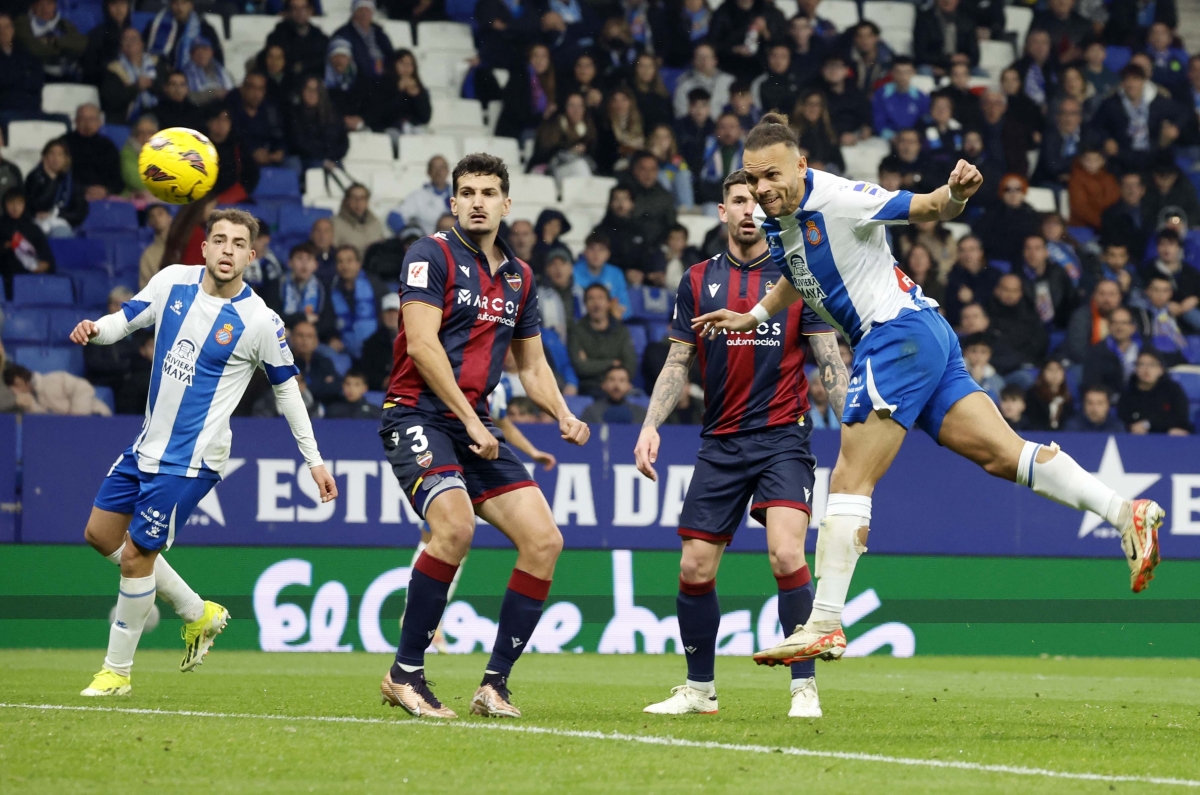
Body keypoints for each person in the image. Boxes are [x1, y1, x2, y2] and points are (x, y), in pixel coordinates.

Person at [697, 114, 1163, 678]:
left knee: (849, 479)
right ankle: (1124, 513)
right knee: (1004, 455)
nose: (762, 190)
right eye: (752, 179)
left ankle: (823, 621)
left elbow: (925, 207)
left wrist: (956, 196)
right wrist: (753, 313)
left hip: (893, 336)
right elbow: (799, 275)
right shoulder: (778, 220)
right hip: (925, 332)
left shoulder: (837, 197)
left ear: (800, 165)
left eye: (772, 175)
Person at [69, 208, 337, 697]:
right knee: (99, 533)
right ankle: (197, 611)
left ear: (251, 256)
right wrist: (95, 328)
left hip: (193, 461)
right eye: (220, 240)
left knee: (135, 557)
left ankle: (116, 673)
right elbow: (126, 319)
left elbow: (288, 392)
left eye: (239, 244)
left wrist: (313, 459)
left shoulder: (260, 321)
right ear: (205, 248)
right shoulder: (173, 282)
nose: (229, 250)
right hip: (146, 445)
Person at [379, 153, 589, 719]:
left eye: (488, 192)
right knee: (453, 527)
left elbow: (532, 365)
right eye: (467, 192)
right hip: (417, 414)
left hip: (476, 424)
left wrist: (563, 413)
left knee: (545, 541)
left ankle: (494, 684)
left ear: (506, 204)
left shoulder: (519, 277)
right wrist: (471, 420)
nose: (477, 201)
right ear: (453, 203)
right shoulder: (431, 255)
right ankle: (405, 674)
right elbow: (422, 346)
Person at [636, 170, 845, 719]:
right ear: (723, 212)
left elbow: (830, 362)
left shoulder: (797, 277)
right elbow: (678, 362)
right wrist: (650, 424)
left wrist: (855, 431)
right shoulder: (698, 279)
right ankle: (700, 689)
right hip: (721, 442)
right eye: (738, 202)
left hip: (783, 438)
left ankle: (804, 687)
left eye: (756, 201)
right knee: (694, 569)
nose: (748, 211)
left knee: (784, 553)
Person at [569, 283, 639, 397]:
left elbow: (630, 365)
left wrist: (592, 364)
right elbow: (580, 367)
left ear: (608, 303)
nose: (596, 304)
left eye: (600, 298)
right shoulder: (576, 331)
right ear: (585, 304)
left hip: (619, 386)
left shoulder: (621, 331)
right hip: (591, 387)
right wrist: (612, 363)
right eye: (591, 299)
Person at [327, 244, 385, 360]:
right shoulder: (330, 289)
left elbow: (386, 315)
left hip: (376, 347)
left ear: (359, 264)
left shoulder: (375, 284)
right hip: (343, 350)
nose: (345, 266)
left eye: (349, 261)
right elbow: (327, 320)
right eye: (340, 262)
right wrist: (332, 337)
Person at [24, 138, 87, 238]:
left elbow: (79, 213)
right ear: (44, 157)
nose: (56, 158)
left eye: (60, 154)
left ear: (66, 159)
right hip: (36, 223)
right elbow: (35, 206)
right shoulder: (34, 177)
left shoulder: (73, 181)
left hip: (61, 222)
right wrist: (51, 182)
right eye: (51, 154)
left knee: (60, 233)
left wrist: (55, 214)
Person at [1119, 350, 1191, 435]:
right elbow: (1123, 418)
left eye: (1152, 365)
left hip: (1166, 436)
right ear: (1136, 369)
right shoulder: (1128, 392)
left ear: (1161, 369)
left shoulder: (1173, 390)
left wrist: (1148, 424)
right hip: (1136, 438)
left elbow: (1180, 417)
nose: (1146, 370)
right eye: (1141, 364)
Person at [287, 75, 350, 171]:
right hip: (308, 159)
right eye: (308, 89)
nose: (312, 94)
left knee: (341, 173)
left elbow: (343, 143)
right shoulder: (295, 114)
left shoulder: (333, 114)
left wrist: (330, 158)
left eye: (316, 90)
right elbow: (300, 143)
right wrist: (323, 159)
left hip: (333, 159)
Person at [0, 188, 54, 299]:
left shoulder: (33, 228)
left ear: (25, 204)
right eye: (11, 203)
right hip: (6, 277)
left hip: (31, 279)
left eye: (19, 203)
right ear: (4, 205)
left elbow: (46, 256)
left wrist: (45, 265)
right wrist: (5, 247)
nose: (15, 207)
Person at [101, 28, 162, 126]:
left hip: (157, 116)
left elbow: (165, 91)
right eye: (125, 39)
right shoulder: (113, 69)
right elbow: (111, 100)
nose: (129, 42)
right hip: (126, 120)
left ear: (142, 43)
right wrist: (136, 88)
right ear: (121, 46)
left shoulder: (157, 63)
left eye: (133, 39)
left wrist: (151, 85)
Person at [143, 0, 223, 72]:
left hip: (197, 73)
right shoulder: (156, 26)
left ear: (191, 5)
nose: (179, 8)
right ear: (171, 5)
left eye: (184, 3)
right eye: (175, 3)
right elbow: (145, 51)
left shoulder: (205, 29)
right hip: (164, 74)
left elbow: (217, 57)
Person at [65, 105, 125, 202]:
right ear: (75, 121)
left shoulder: (108, 146)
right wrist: (83, 190)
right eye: (83, 119)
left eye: (91, 119)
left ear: (99, 122)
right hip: (73, 198)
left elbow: (118, 181)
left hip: (104, 199)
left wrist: (106, 190)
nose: (87, 123)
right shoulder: (64, 144)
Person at [16, 0, 86, 81]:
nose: (45, 9)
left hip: (69, 76)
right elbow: (34, 50)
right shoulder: (22, 23)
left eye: (49, 4)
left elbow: (81, 44)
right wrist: (64, 47)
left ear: (55, 5)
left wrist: (54, 42)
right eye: (40, 5)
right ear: (32, 6)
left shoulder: (63, 23)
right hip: (40, 77)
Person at [367, 49, 431, 136]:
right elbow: (378, 114)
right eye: (402, 63)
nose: (406, 68)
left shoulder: (417, 86)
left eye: (410, 64)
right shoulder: (382, 84)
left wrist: (418, 97)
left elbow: (425, 118)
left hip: (412, 129)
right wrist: (398, 90)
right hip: (388, 129)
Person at [1081, 306, 1141, 398]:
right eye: (1115, 323)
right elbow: (1092, 384)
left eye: (1124, 323)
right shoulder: (1096, 352)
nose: (1119, 327)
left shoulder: (1144, 349)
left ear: (1133, 327)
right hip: (1109, 402)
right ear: (1109, 326)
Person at [913, 0, 979, 77]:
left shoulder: (967, 20)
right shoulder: (924, 19)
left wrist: (962, 63)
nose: (947, 1)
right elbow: (920, 54)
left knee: (981, 74)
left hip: (960, 68)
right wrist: (949, 59)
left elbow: (975, 56)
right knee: (924, 70)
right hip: (933, 66)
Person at [266, 0, 328, 81]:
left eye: (303, 8)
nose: (299, 12)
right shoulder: (277, 36)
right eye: (294, 8)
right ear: (288, 12)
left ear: (310, 10)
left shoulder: (319, 37)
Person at [573, 232, 631, 318]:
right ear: (585, 252)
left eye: (601, 249)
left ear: (608, 254)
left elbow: (626, 309)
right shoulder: (573, 271)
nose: (596, 254)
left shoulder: (616, 273)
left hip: (610, 323)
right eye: (592, 249)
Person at [1065, 279, 1123, 364]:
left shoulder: (1127, 317)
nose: (1106, 299)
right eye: (1102, 294)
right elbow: (1078, 351)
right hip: (1090, 364)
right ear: (1094, 296)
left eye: (1112, 294)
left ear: (1120, 298)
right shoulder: (1082, 316)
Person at [390, 156, 450, 236]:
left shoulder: (459, 195)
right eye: (434, 168)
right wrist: (408, 234)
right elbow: (393, 217)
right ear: (428, 172)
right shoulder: (418, 196)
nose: (439, 172)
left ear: (448, 171)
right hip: (428, 245)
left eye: (442, 167)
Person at [673, 43, 734, 120]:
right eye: (700, 57)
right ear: (693, 61)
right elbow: (681, 114)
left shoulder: (729, 81)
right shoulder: (684, 85)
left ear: (715, 60)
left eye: (708, 57)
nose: (704, 61)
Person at [872, 58, 929, 141]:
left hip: (912, 140)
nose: (903, 77)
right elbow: (878, 122)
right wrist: (894, 138)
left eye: (907, 72)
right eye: (899, 72)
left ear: (913, 73)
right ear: (892, 73)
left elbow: (925, 121)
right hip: (888, 139)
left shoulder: (920, 96)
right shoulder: (881, 94)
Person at [1068, 147, 1120, 231]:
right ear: (1081, 161)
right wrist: (1101, 223)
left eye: (1096, 160)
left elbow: (1114, 200)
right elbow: (1080, 208)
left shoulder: (1108, 178)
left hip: (1107, 225)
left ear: (1103, 161)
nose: (1092, 163)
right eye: (1088, 160)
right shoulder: (1076, 178)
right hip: (1083, 225)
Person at [580, 365, 645, 424]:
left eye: (622, 380)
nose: (616, 385)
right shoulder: (591, 413)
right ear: (603, 385)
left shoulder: (640, 413)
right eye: (612, 380)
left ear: (629, 386)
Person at [361, 291, 399, 390]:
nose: (392, 316)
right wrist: (383, 381)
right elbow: (366, 373)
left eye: (395, 312)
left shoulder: (416, 339)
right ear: (382, 315)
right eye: (388, 312)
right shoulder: (371, 343)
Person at [333, 182, 387, 252]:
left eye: (362, 198)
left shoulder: (375, 223)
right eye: (354, 198)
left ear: (367, 201)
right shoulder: (335, 225)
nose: (358, 202)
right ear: (347, 200)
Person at [1023, 359, 1075, 431]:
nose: (1054, 374)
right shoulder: (1032, 395)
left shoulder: (1068, 397)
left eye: (1058, 369)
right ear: (1043, 373)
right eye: (1050, 370)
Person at [961, 333, 1005, 402]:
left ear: (989, 354)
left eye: (983, 352)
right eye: (973, 351)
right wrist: (976, 380)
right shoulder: (956, 372)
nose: (978, 356)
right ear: (965, 352)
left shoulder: (997, 380)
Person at [138, 204, 173, 289]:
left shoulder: (184, 245)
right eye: (152, 216)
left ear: (170, 218)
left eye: (160, 214)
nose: (156, 218)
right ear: (149, 223)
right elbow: (145, 288)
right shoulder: (148, 254)